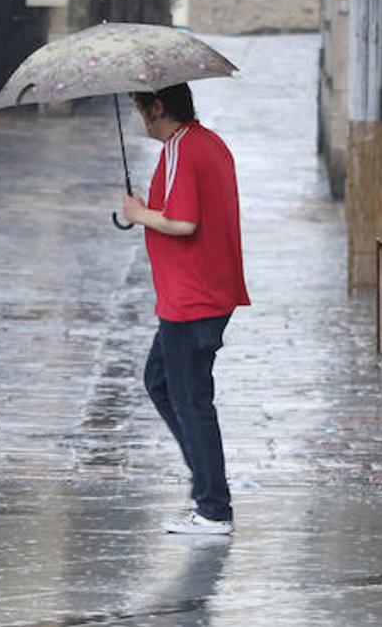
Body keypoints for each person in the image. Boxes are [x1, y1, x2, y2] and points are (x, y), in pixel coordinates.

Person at [121, 83, 250, 535]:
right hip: (201, 294)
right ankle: (204, 481)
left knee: (191, 400)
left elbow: (184, 222)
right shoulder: (208, 142)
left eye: (140, 108)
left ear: (157, 107)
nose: (139, 117)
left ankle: (213, 506)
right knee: (160, 381)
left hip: (190, 298)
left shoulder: (180, 148)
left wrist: (139, 214)